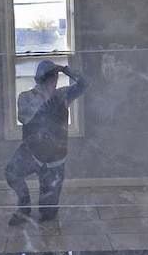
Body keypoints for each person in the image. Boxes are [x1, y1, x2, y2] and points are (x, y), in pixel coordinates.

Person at [5, 59, 88, 225]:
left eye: (55, 78)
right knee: (12, 173)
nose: (53, 82)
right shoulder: (26, 97)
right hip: (30, 153)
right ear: (38, 80)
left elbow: (85, 83)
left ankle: (46, 207)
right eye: (49, 79)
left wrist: (65, 69)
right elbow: (23, 118)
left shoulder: (63, 95)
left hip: (54, 160)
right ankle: (24, 207)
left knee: (48, 215)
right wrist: (40, 102)